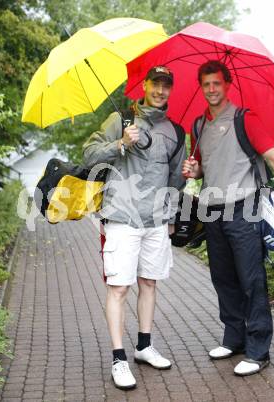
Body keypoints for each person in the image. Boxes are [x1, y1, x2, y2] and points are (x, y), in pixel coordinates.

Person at [182, 60, 274, 377]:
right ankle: (234, 339)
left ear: (227, 85)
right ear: (201, 88)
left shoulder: (246, 119)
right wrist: (193, 170)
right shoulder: (198, 125)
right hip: (212, 210)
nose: (212, 89)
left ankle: (259, 351)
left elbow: (273, 156)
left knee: (251, 280)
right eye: (206, 84)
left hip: (244, 208)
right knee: (223, 278)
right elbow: (202, 167)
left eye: (217, 83)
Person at [83, 66, 186, 390]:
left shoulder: (176, 131)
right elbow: (88, 156)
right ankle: (118, 358)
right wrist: (120, 144)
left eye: (166, 85)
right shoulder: (121, 120)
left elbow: (174, 181)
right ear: (144, 85)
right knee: (119, 288)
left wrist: (187, 176)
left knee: (150, 284)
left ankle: (144, 346)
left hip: (155, 222)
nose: (160, 90)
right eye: (155, 83)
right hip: (122, 218)